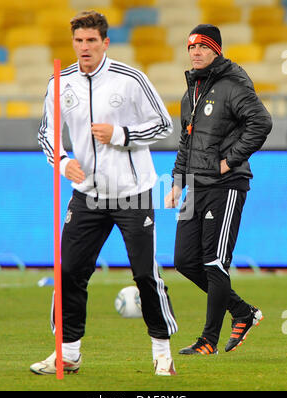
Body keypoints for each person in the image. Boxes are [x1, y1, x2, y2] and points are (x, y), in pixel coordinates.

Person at [31, 10, 178, 376]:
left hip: (131, 193)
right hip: (87, 195)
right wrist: (63, 162)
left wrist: (121, 134)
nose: (84, 47)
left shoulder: (130, 79)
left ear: (105, 43)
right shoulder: (59, 83)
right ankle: (68, 353)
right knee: (69, 273)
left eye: (91, 41)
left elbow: (163, 123)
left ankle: (162, 353)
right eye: (78, 41)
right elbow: (47, 134)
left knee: (145, 274)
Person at [165, 24, 272, 355]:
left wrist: (229, 161)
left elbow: (262, 122)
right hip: (195, 186)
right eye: (191, 48)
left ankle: (208, 341)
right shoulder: (191, 93)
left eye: (203, 47)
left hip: (225, 185)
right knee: (184, 260)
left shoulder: (233, 84)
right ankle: (242, 312)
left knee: (214, 262)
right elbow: (187, 140)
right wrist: (177, 182)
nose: (195, 53)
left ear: (216, 51)